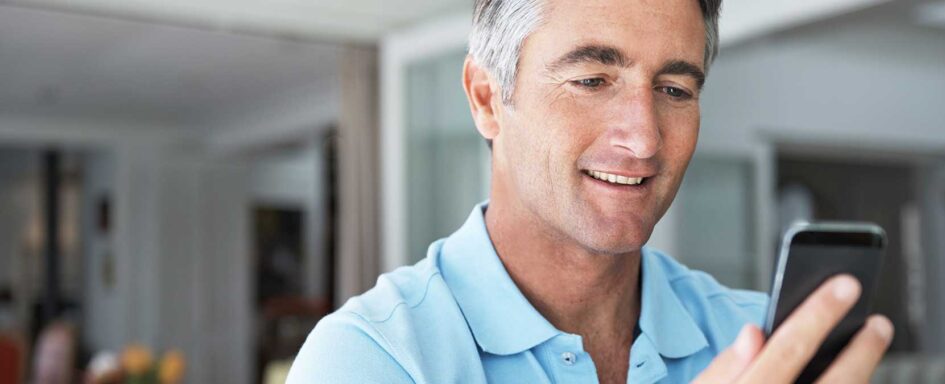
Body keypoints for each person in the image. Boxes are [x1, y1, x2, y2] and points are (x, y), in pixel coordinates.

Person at [288, 0, 894, 382]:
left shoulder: (760, 343)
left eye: (675, 90)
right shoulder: (372, 358)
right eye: (591, 79)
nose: (645, 139)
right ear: (486, 98)